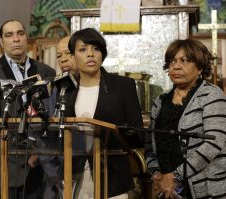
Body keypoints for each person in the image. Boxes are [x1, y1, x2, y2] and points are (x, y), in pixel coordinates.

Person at [0, 19, 56, 198]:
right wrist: (25, 151)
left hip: (39, 170)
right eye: (9, 35)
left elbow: (50, 116)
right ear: (2, 42)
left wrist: (37, 151)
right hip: (1, 167)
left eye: (20, 33)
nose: (16, 39)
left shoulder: (47, 72)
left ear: (27, 38)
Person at [64, 28, 143, 198]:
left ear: (103, 54)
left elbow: (138, 134)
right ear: (72, 57)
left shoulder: (123, 86)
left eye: (96, 49)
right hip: (75, 177)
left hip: (113, 177)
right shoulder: (66, 90)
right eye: (83, 49)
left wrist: (115, 132)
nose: (90, 54)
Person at [145, 39, 226, 198]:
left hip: (205, 188)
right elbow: (150, 142)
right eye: (172, 61)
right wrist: (156, 172)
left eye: (184, 60)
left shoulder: (212, 95)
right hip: (167, 189)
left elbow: (215, 142)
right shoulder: (160, 101)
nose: (175, 66)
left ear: (200, 67)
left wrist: (176, 176)